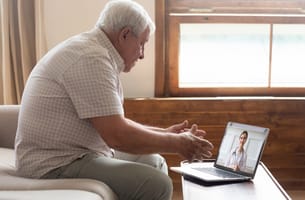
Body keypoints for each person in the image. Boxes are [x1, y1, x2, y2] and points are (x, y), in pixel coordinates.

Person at [14, 0, 213, 200]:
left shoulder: (94, 51)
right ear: (125, 34)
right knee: (158, 184)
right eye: (142, 43)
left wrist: (165, 133)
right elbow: (117, 136)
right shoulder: (91, 59)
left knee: (155, 161)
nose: (142, 54)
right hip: (54, 163)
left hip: (76, 152)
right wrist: (176, 143)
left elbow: (114, 122)